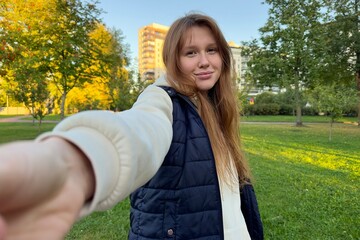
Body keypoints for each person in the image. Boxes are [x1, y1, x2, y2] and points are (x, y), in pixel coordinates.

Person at [0, 13, 263, 240]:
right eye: (191, 52)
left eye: (212, 50)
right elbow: (141, 130)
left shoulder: (216, 107)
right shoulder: (161, 98)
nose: (204, 61)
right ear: (174, 59)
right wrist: (77, 164)